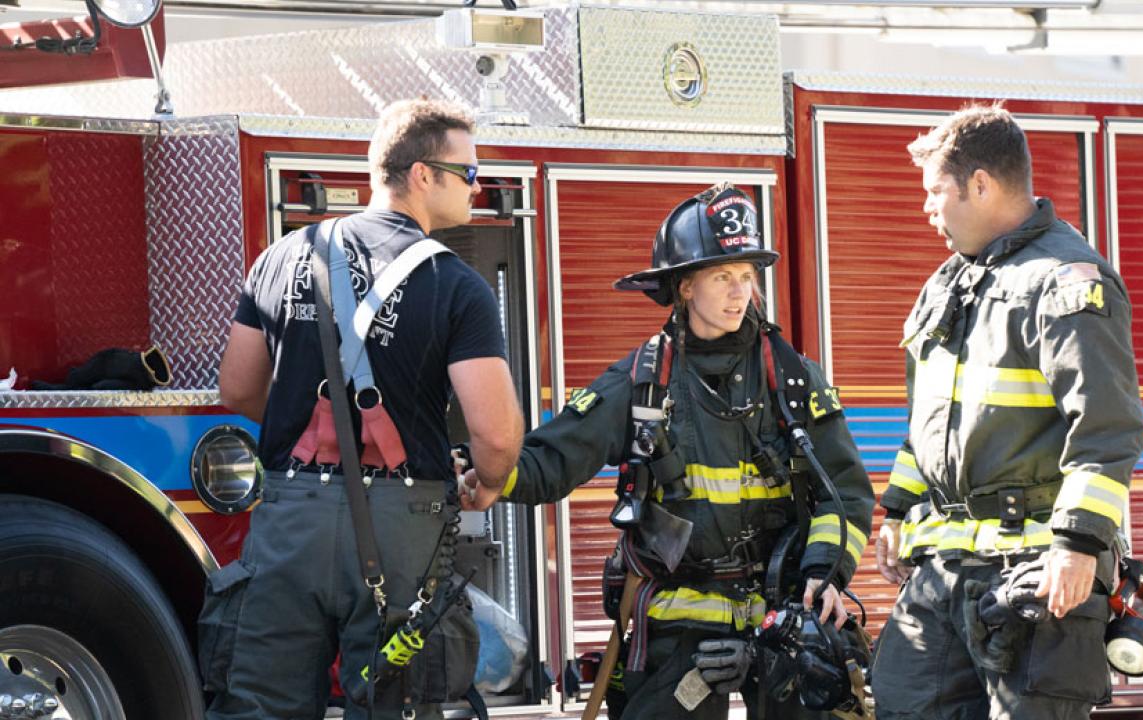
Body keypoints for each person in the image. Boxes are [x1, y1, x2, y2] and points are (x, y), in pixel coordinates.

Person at [462, 183, 876, 720]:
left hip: (781, 615)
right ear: (685, 287)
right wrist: (483, 471)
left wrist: (825, 574)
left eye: (747, 276)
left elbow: (844, 492)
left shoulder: (791, 378)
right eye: (722, 276)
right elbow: (552, 459)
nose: (738, 293)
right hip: (681, 619)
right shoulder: (643, 382)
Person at [206, 98, 524, 720]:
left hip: (287, 522)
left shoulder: (281, 257)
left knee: (258, 706)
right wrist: (487, 484)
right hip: (399, 529)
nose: (477, 187)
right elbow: (494, 433)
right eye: (468, 173)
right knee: (394, 702)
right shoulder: (457, 285)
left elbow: (239, 388)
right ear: (423, 175)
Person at [870, 104, 1143, 720]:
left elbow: (1107, 426)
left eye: (935, 190)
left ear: (981, 185)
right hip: (944, 576)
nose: (926, 207)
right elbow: (930, 422)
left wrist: (1077, 545)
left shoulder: (1066, 281)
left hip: (1038, 575)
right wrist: (895, 510)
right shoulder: (948, 284)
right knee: (900, 706)